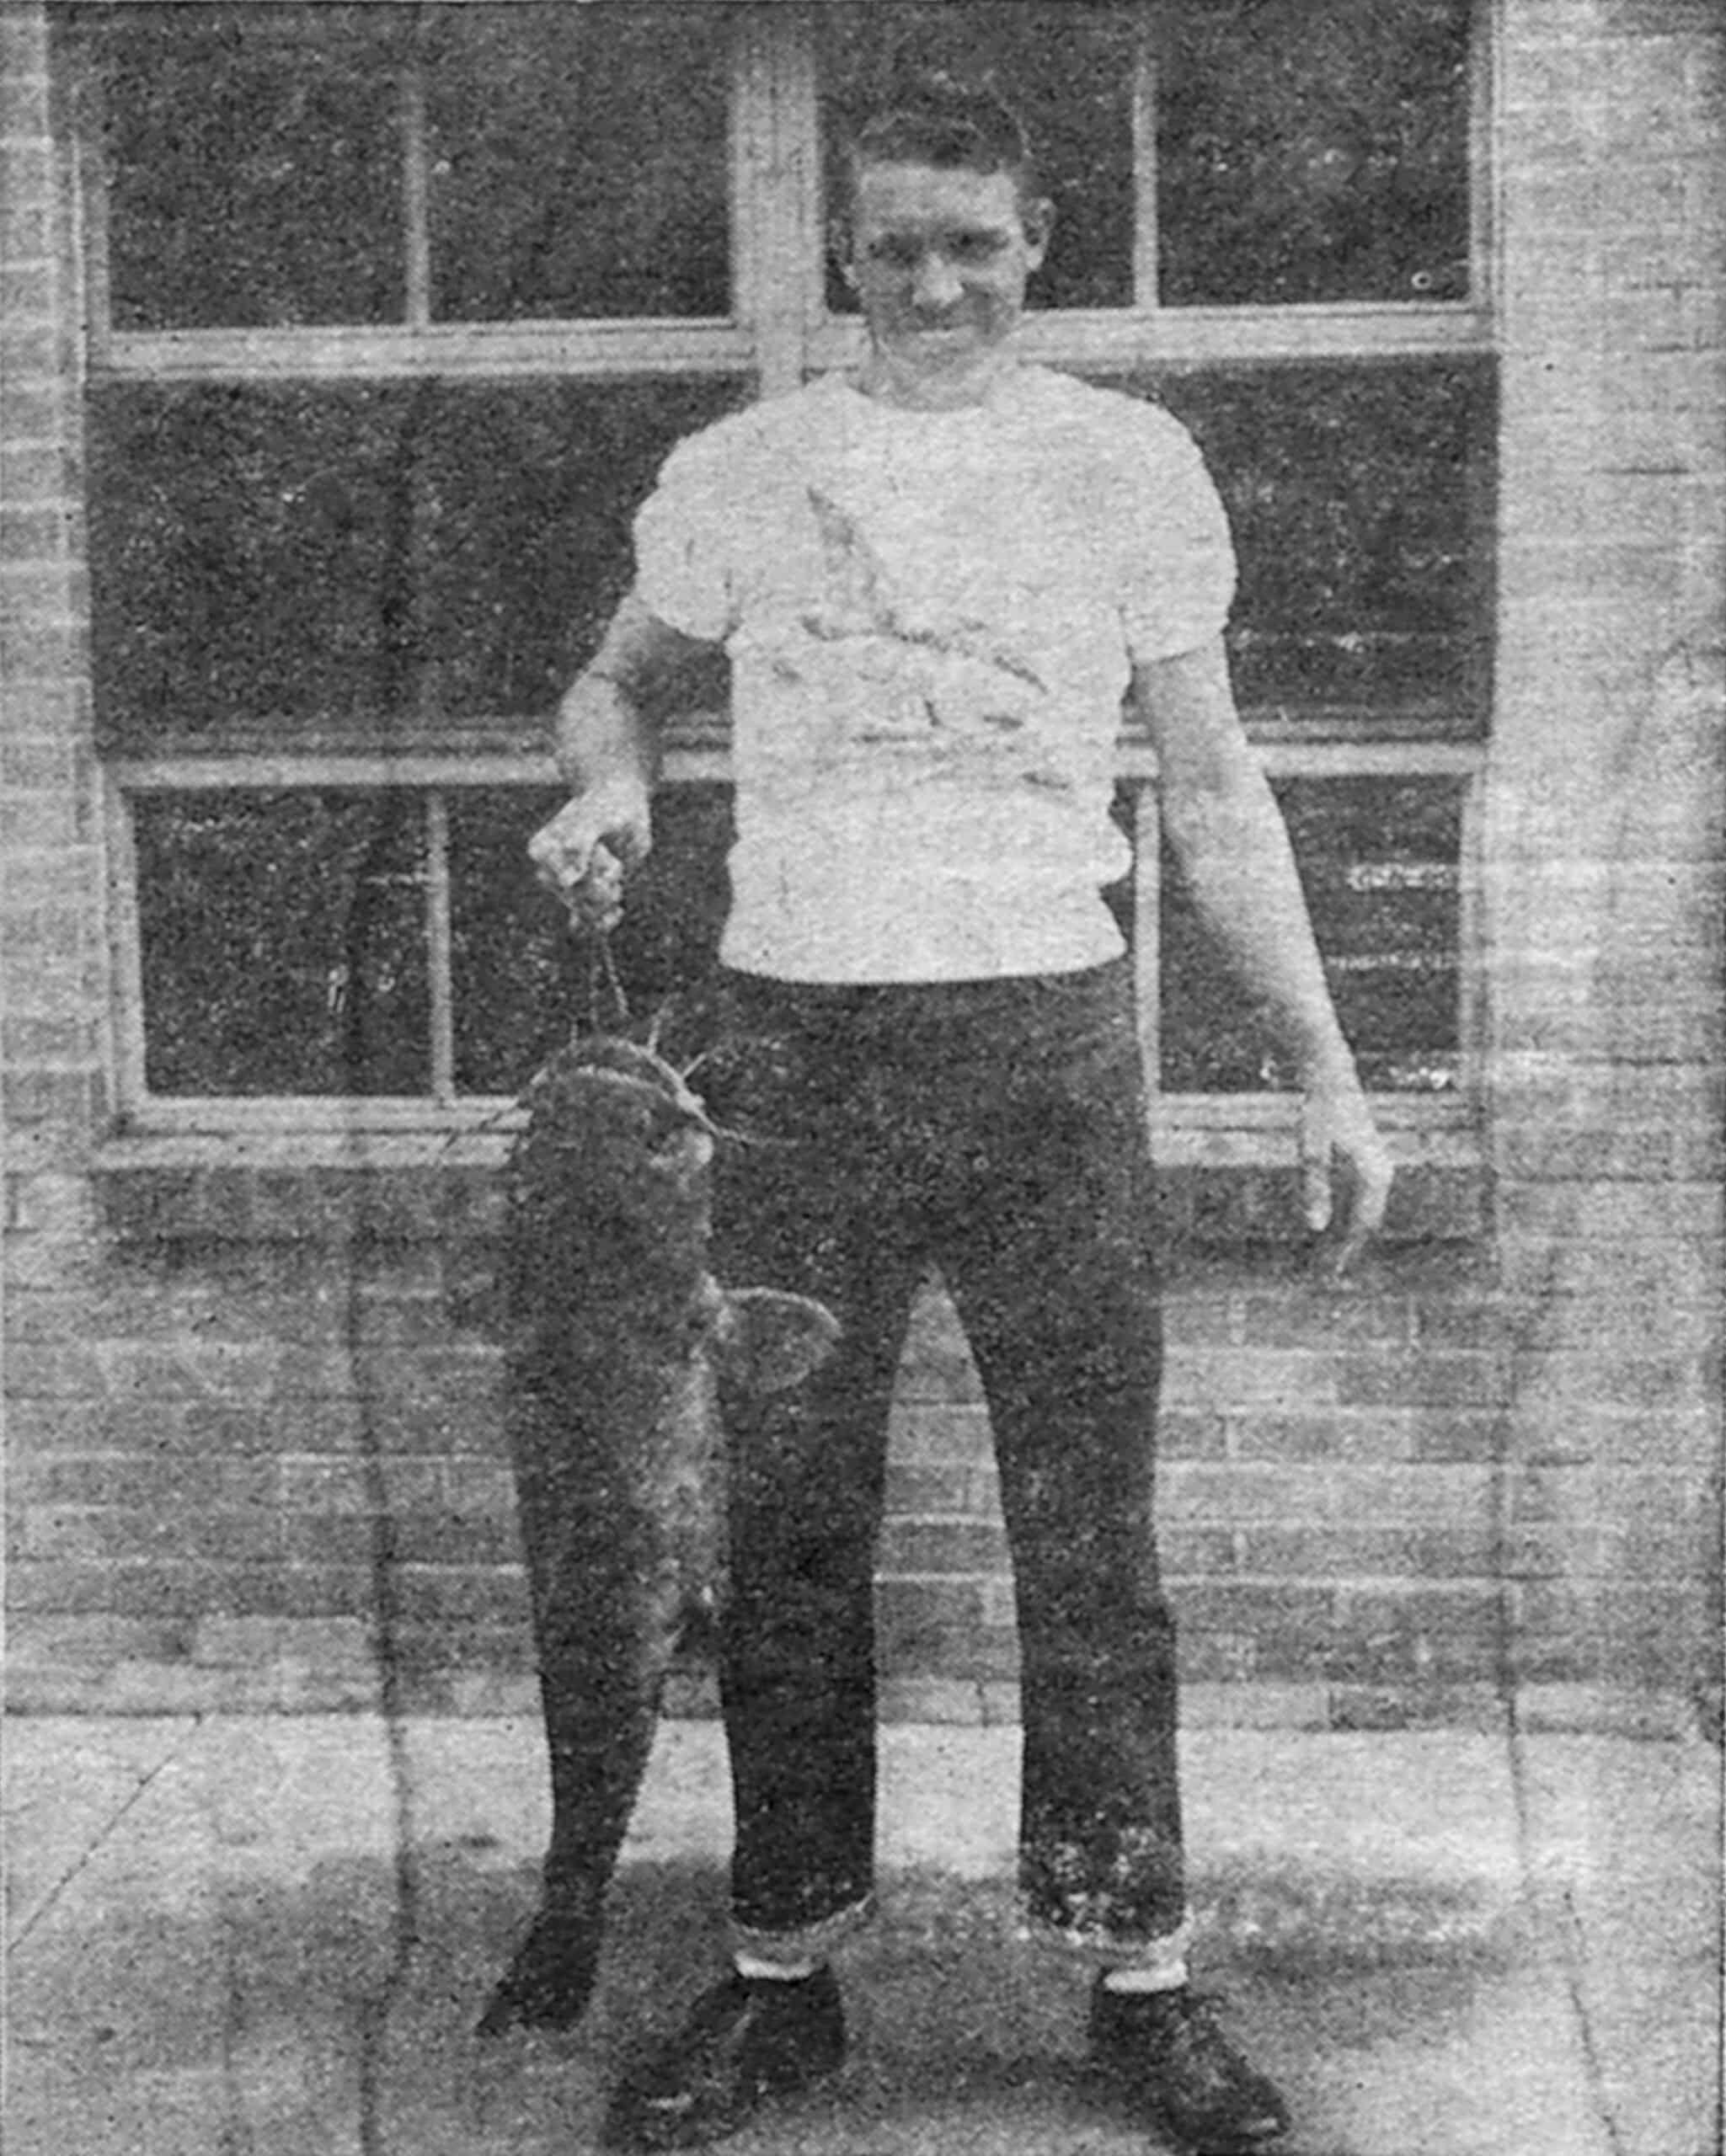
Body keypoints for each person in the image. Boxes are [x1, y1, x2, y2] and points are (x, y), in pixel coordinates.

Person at [528, 72, 1393, 2156]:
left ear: (1034, 252)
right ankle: (780, 1985)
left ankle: (1137, 1984)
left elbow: (1206, 785)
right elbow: (610, 677)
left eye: (971, 245)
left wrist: (1320, 1062)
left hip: (1044, 1047)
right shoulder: (744, 467)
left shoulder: (1124, 463)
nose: (933, 282)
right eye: (895, 243)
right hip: (798, 1048)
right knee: (793, 1532)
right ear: (842, 254)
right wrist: (614, 776)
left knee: (1088, 1534)